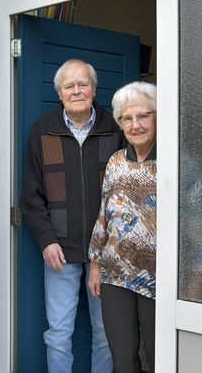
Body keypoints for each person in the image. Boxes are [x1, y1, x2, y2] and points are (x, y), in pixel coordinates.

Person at [20, 59, 124, 372]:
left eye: (83, 84)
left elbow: (124, 197)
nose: (77, 91)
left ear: (94, 89)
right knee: (58, 334)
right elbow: (30, 196)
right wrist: (46, 240)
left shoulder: (115, 130)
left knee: (106, 335)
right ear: (60, 93)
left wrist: (108, 249)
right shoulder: (43, 130)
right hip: (60, 253)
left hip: (105, 254)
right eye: (69, 86)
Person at [88, 81, 157, 373]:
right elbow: (103, 214)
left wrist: (195, 278)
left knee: (159, 357)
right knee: (123, 359)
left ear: (158, 116)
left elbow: (197, 223)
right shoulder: (116, 161)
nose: (135, 125)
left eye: (143, 116)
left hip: (159, 278)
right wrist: (95, 264)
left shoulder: (176, 161)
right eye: (127, 118)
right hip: (115, 275)